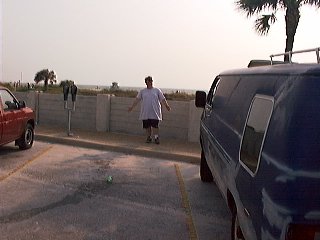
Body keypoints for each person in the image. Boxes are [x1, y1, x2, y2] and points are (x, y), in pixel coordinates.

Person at [128, 76, 171, 144]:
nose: (149, 83)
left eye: (150, 81)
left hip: (155, 112)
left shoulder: (157, 90)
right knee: (147, 126)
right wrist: (131, 107)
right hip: (146, 112)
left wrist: (167, 106)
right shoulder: (142, 91)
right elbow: (137, 99)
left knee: (155, 126)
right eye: (147, 82)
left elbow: (163, 99)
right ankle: (149, 137)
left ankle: (156, 137)